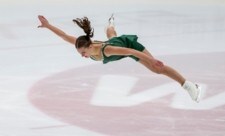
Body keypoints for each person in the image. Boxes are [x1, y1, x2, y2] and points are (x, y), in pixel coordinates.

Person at [37, 15, 201, 102]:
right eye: (80, 53)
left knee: (158, 70)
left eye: (83, 53)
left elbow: (132, 52)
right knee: (112, 34)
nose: (82, 56)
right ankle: (110, 23)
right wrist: (48, 25)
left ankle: (189, 85)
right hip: (115, 43)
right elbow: (65, 36)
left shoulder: (108, 50)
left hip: (128, 46)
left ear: (90, 46)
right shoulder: (85, 44)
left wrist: (151, 61)